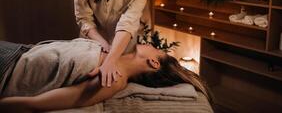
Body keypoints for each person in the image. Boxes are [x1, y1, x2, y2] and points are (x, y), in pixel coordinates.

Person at [0, 39, 212, 113]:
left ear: (154, 62)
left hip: (8, 70)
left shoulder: (115, 80)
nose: (152, 45)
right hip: (19, 51)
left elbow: (37, 103)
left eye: (156, 49)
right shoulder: (111, 54)